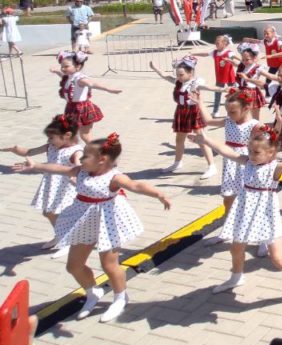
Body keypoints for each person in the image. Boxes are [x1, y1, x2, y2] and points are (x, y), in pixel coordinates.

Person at [12, 133, 171, 323]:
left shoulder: (114, 177)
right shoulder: (81, 171)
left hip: (108, 222)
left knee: (109, 265)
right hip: (83, 220)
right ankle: (92, 291)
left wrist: (159, 194)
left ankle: (120, 297)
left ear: (102, 160)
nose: (81, 158)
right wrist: (36, 166)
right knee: (74, 266)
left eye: (86, 156)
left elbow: (135, 185)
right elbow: (59, 168)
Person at [196, 124, 282, 312]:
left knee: (277, 258)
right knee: (236, 249)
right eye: (250, 151)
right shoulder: (248, 161)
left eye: (256, 152)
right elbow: (225, 151)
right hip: (244, 212)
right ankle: (236, 277)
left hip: (265, 214)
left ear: (271, 153)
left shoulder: (275, 168)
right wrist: (206, 140)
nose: (252, 155)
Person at [3, 114, 84, 255]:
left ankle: (69, 241)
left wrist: (77, 180)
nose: (49, 140)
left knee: (60, 214)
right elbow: (29, 152)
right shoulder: (50, 146)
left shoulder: (76, 151)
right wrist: (16, 149)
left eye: (52, 137)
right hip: (51, 185)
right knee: (48, 212)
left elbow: (79, 169)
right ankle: (60, 235)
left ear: (67, 135)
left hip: (66, 188)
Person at [193, 89, 262, 244]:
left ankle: (260, 237)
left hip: (246, 161)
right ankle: (228, 230)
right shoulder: (228, 121)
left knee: (250, 199)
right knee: (228, 197)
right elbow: (209, 121)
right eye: (228, 111)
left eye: (233, 111)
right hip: (229, 162)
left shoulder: (255, 125)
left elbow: (266, 145)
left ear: (246, 108)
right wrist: (200, 103)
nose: (230, 114)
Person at [149, 56, 217, 176]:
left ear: (190, 73)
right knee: (179, 139)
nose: (179, 77)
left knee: (201, 139)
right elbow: (165, 76)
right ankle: (177, 162)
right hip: (181, 112)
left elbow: (208, 87)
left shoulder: (195, 83)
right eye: (177, 74)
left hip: (193, 111)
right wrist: (155, 68)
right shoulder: (179, 82)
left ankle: (212, 166)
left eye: (181, 74)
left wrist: (223, 89)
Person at [51, 50, 120, 143]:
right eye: (62, 66)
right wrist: (56, 71)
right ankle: (75, 150)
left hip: (81, 109)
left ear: (78, 66)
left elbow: (92, 83)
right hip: (71, 108)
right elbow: (63, 75)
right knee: (71, 132)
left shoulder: (80, 79)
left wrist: (108, 89)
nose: (63, 69)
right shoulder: (70, 76)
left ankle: (97, 152)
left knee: (85, 135)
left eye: (66, 66)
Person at [210, 34, 239, 118]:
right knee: (217, 94)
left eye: (218, 43)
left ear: (225, 43)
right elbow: (205, 54)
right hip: (220, 77)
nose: (216, 44)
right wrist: (193, 53)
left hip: (230, 77)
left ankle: (231, 112)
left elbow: (239, 59)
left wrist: (243, 61)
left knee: (232, 95)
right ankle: (215, 111)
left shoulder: (229, 53)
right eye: (215, 42)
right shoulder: (215, 52)